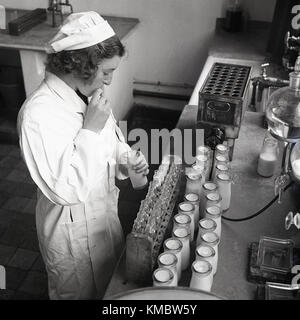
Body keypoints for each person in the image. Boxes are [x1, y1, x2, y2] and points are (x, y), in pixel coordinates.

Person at [17, 11, 149, 300]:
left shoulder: (89, 96)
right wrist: (89, 130)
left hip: (104, 221)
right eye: (106, 72)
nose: (110, 81)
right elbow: (66, 189)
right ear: (80, 65)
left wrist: (127, 158)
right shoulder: (37, 115)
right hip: (71, 237)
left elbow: (112, 142)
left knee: (109, 292)